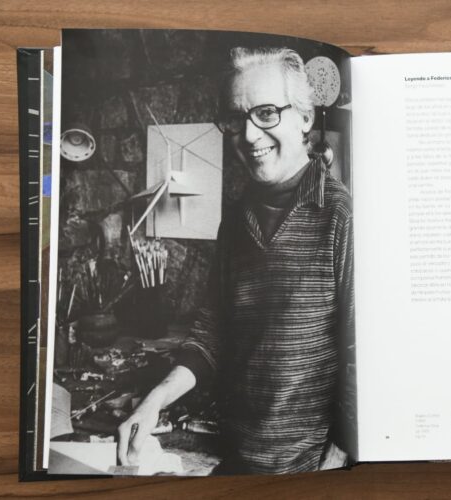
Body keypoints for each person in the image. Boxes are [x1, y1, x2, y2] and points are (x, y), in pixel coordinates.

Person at [117, 46, 355, 474]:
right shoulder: (236, 220)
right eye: (235, 118)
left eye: (266, 113)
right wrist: (152, 402)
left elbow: (362, 356)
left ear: (304, 117)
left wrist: (337, 459)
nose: (248, 135)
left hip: (311, 468)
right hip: (237, 460)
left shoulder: (341, 215)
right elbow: (211, 335)